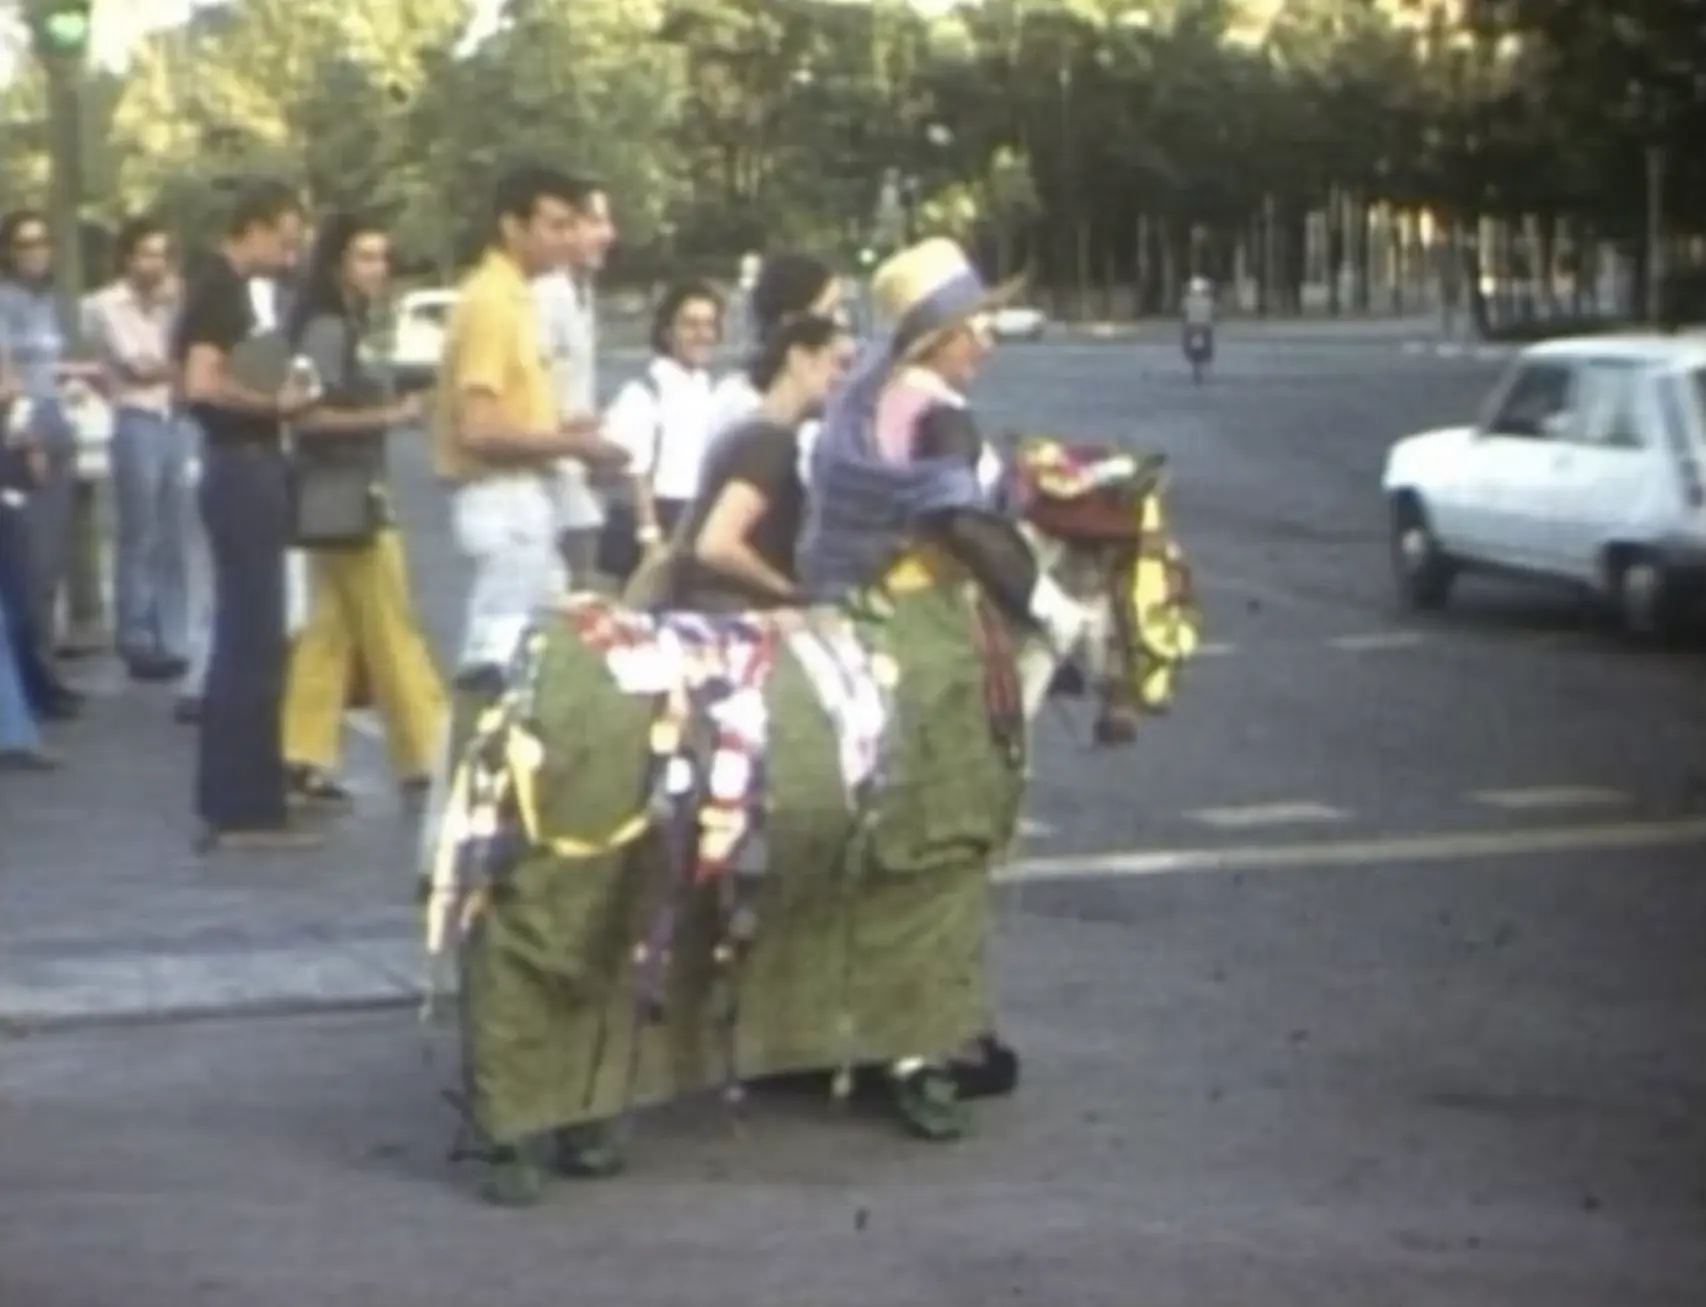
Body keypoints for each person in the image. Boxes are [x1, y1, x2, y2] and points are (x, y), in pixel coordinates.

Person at [432, 164, 628, 687]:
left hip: (526, 502)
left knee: (550, 655)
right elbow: (477, 428)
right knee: (495, 666)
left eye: (571, 226)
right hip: (503, 502)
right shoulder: (493, 302)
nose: (567, 240)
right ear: (512, 227)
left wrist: (576, 431)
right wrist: (573, 445)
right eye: (555, 226)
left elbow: (515, 412)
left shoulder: (517, 296)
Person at [277, 213, 444, 805]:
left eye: (382, 257)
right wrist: (391, 417)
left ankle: (303, 750)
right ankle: (426, 749)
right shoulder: (328, 329)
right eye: (365, 257)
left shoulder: (343, 323)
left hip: (334, 498)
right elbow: (305, 415)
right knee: (390, 623)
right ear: (337, 264)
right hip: (347, 495)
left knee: (331, 628)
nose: (378, 270)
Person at [173, 178, 317, 850]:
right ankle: (241, 806)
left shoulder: (230, 292)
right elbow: (200, 382)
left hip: (251, 464)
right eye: (283, 239)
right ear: (252, 229)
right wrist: (274, 406)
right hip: (240, 463)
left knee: (256, 633)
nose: (289, 254)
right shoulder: (218, 293)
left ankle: (248, 798)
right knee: (249, 635)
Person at [672, 313, 850, 612]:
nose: (846, 380)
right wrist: (790, 593)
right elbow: (716, 546)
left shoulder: (748, 431)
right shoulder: (770, 441)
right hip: (729, 615)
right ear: (797, 358)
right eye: (840, 363)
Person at [85, 217, 192, 682]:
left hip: (175, 418)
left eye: (162, 254)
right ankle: (136, 634)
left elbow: (190, 361)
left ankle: (174, 632)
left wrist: (174, 350)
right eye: (146, 253)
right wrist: (170, 366)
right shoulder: (104, 305)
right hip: (134, 418)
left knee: (176, 531)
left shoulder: (178, 303)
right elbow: (138, 367)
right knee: (140, 530)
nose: (155, 264)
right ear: (128, 257)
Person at [0, 209, 104, 655]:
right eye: (25, 243)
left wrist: (79, 377)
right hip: (24, 432)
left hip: (58, 420)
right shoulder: (3, 300)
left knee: (54, 557)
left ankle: (47, 664)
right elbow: (7, 378)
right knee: (31, 559)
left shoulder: (48, 302)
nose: (36, 251)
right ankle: (31, 674)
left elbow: (44, 365)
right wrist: (29, 436)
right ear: (7, 251)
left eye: (43, 241)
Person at [598, 280, 722, 584]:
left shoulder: (710, 389)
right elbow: (635, 470)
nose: (701, 335)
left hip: (698, 516)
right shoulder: (643, 391)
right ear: (668, 332)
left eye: (709, 325)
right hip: (661, 518)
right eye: (690, 325)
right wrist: (650, 537)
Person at [530, 179, 618, 587]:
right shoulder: (547, 295)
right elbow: (529, 391)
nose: (609, 234)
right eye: (596, 222)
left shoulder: (580, 293)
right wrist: (577, 433)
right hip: (546, 478)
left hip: (574, 473)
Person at [704, 252, 844, 482]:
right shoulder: (743, 405)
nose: (842, 322)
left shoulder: (821, 404)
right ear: (792, 323)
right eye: (830, 311)